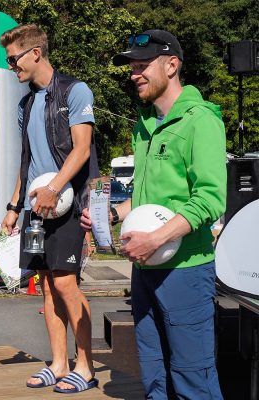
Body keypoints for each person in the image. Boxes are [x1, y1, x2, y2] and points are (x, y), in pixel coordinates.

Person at [82, 29, 225, 399]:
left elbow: (211, 200)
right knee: (155, 375)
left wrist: (156, 238)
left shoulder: (200, 120)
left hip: (186, 271)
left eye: (143, 65)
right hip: (146, 271)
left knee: (193, 379)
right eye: (132, 67)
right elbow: (146, 198)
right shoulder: (144, 125)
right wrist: (110, 215)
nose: (134, 74)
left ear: (172, 65)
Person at [0, 24, 100, 393]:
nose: (12, 67)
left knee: (65, 282)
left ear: (35, 54)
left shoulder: (75, 91)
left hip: (68, 204)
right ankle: (58, 363)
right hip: (36, 207)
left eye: (14, 59)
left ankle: (85, 367)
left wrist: (55, 188)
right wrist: (13, 206)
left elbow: (82, 150)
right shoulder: (25, 103)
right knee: (45, 285)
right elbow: (26, 162)